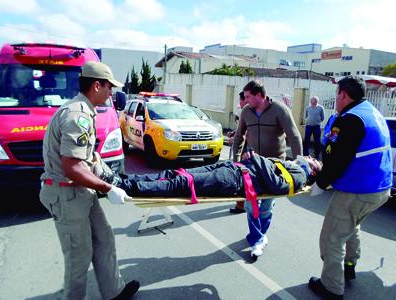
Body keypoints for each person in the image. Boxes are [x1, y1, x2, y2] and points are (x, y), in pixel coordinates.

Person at [39, 61, 139, 300]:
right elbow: (72, 167)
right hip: (67, 194)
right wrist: (107, 188)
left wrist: (113, 178)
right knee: (78, 257)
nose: (111, 93)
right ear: (96, 86)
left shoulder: (85, 111)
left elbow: (88, 158)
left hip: (81, 191)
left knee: (104, 238)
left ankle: (114, 292)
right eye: (109, 87)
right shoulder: (77, 116)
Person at [308, 76, 392, 299]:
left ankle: (332, 287)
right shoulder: (372, 112)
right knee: (352, 226)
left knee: (332, 238)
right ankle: (350, 266)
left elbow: (337, 160)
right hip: (381, 189)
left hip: (357, 190)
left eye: (336, 94)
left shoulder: (349, 119)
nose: (335, 99)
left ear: (343, 94)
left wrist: (319, 183)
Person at [232, 80, 302, 258]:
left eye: (248, 96)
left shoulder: (280, 110)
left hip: (275, 167)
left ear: (259, 95)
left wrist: (299, 162)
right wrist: (236, 161)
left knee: (267, 206)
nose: (245, 100)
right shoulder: (246, 112)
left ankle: (258, 237)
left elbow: (294, 136)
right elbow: (239, 136)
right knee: (250, 204)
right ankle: (258, 239)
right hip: (253, 165)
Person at [96, 152, 321, 205]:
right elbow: (265, 166)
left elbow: (279, 185)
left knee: (181, 184)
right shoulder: (291, 163)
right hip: (232, 168)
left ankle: (121, 185)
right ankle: (119, 178)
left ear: (312, 171)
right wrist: (253, 158)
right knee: (177, 174)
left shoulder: (300, 175)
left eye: (313, 160)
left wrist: (258, 158)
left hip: (234, 180)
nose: (309, 157)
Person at [228, 91, 248, 214]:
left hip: (245, 149)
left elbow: (244, 133)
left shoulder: (245, 111)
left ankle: (241, 205)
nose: (239, 103)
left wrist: (235, 138)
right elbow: (242, 129)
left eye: (241, 100)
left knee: (242, 177)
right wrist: (234, 133)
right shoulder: (250, 111)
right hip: (246, 148)